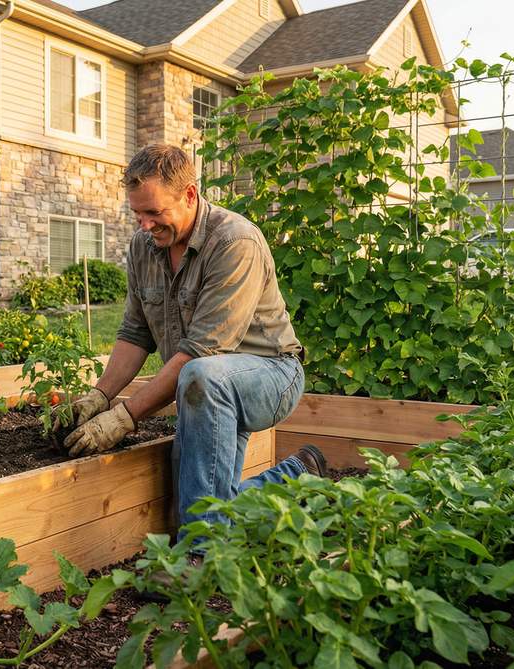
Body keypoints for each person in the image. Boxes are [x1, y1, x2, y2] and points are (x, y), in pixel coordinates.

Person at [62, 143, 326, 533]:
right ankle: (295, 476)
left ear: (189, 195)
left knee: (201, 376)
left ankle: (201, 554)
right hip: (201, 385)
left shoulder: (235, 242)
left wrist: (123, 418)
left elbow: (201, 353)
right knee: (194, 506)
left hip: (270, 375)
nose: (144, 225)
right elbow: (135, 334)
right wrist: (99, 397)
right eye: (137, 213)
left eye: (154, 212)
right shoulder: (144, 247)